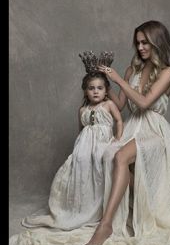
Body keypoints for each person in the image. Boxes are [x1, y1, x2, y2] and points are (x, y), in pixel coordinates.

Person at [9, 21, 170, 245]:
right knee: (110, 155)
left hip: (155, 132)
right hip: (133, 126)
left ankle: (106, 225)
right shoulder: (131, 70)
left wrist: (119, 80)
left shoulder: (167, 71)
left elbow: (145, 102)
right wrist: (107, 81)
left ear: (157, 41)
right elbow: (122, 105)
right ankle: (138, 207)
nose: (140, 46)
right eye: (137, 42)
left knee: (121, 157)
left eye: (145, 42)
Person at [21, 51, 123, 230]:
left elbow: (119, 120)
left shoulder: (109, 105)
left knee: (100, 171)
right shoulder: (82, 110)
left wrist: (118, 139)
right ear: (86, 90)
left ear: (106, 90)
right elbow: (81, 130)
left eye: (100, 88)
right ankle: (81, 205)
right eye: (91, 88)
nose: (95, 91)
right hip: (84, 147)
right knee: (82, 170)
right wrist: (78, 148)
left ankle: (101, 209)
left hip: (103, 144)